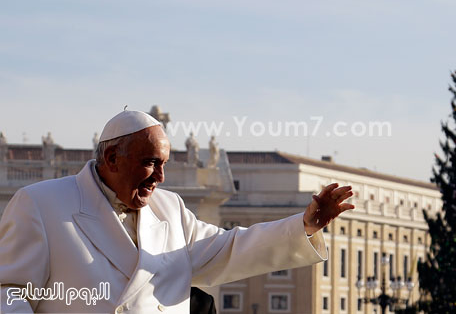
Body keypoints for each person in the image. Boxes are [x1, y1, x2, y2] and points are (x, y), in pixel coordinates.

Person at [0, 110, 354, 313]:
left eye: (165, 163)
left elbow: (231, 248)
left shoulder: (170, 209)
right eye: (151, 162)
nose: (161, 177)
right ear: (111, 159)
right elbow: (9, 294)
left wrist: (305, 224)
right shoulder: (42, 204)